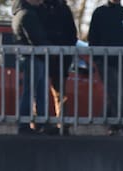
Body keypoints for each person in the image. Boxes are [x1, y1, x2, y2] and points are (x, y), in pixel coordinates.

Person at [87, 0, 123, 136]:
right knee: (114, 93)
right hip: (107, 61)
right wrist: (98, 58)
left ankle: (115, 125)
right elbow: (93, 37)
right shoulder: (100, 13)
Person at [12, 0, 56, 135]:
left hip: (34, 57)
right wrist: (52, 48)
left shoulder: (23, 13)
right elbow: (36, 39)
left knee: (38, 91)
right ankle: (26, 124)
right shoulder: (27, 15)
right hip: (33, 57)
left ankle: (40, 122)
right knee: (31, 92)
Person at [40, 0, 79, 135]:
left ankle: (61, 124)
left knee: (59, 92)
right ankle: (41, 122)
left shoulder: (63, 9)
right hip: (44, 56)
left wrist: (65, 53)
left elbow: (72, 35)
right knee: (41, 90)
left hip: (61, 58)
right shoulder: (41, 8)